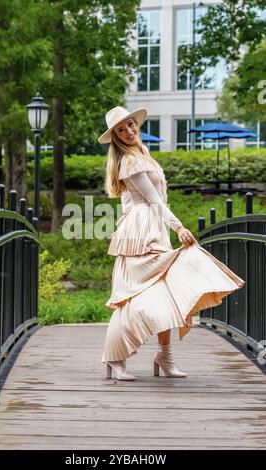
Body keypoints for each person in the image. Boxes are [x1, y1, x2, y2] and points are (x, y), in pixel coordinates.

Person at [98, 106, 245, 381]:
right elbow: (153, 200)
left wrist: (172, 227)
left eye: (130, 125)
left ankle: (164, 356)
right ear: (116, 137)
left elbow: (158, 202)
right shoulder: (130, 162)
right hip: (141, 230)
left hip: (154, 226)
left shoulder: (142, 154)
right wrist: (179, 226)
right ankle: (116, 359)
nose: (129, 131)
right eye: (122, 130)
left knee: (165, 295)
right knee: (132, 298)